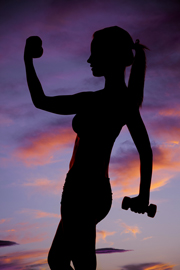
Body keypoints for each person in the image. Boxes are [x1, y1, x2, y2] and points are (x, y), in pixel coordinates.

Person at [24, 26, 153, 270]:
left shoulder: (117, 101)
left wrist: (28, 59)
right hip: (87, 190)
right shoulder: (103, 99)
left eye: (96, 53)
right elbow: (41, 101)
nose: (89, 60)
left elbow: (145, 150)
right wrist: (143, 196)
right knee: (58, 260)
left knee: (80, 263)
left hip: (84, 190)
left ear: (111, 56)